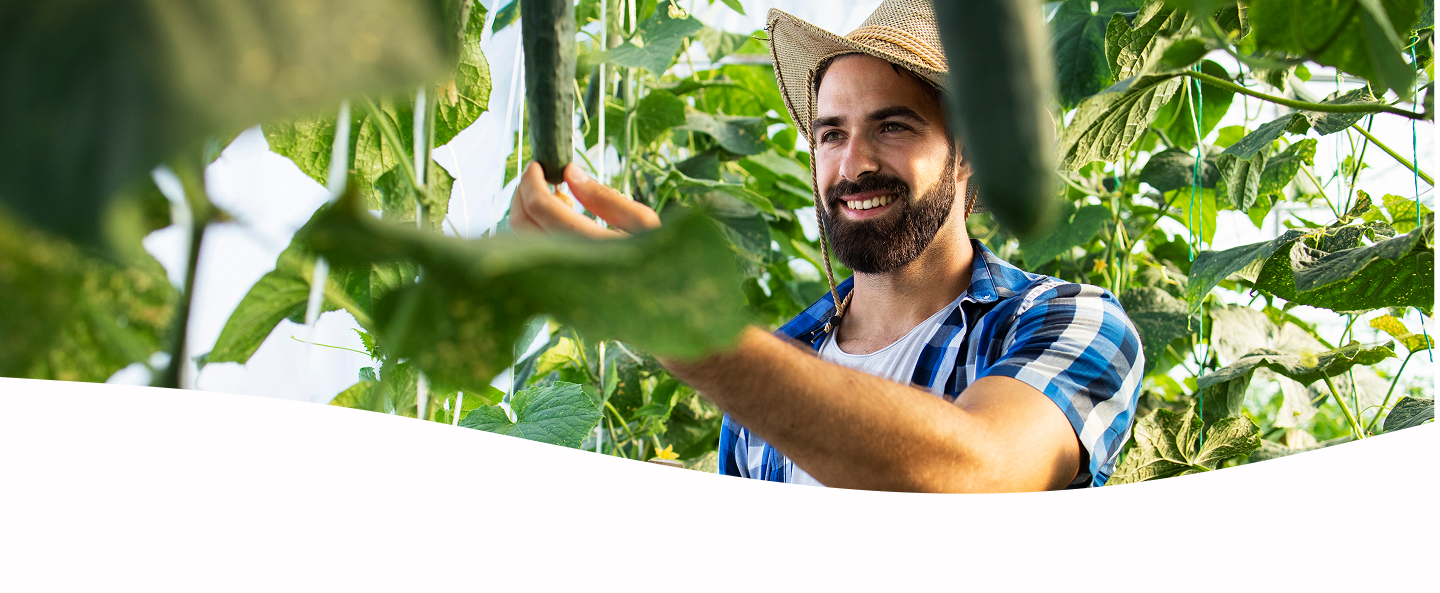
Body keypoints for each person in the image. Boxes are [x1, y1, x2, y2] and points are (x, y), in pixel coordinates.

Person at [508, 0, 1143, 492]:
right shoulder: (774, 373)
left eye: (893, 126)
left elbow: (978, 474)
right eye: (830, 134)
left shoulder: (1073, 325)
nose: (853, 163)